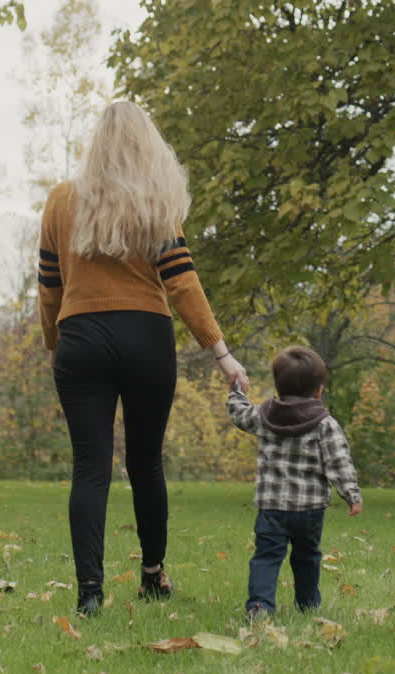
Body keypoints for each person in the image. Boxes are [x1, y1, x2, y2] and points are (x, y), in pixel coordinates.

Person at [37, 101, 249, 617]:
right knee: (145, 463)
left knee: (90, 469)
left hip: (81, 337)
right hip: (146, 338)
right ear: (145, 145)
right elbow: (182, 282)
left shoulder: (62, 200)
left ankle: (90, 592)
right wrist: (222, 355)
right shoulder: (155, 202)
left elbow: (48, 287)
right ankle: (153, 576)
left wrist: (56, 346)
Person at [226, 345, 362, 618]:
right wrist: (351, 494)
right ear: (319, 390)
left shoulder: (264, 416)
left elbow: (239, 414)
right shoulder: (326, 424)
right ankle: (308, 605)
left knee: (266, 557)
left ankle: (259, 607)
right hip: (310, 509)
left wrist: (237, 390)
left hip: (271, 507)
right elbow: (339, 461)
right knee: (307, 557)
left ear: (277, 386)